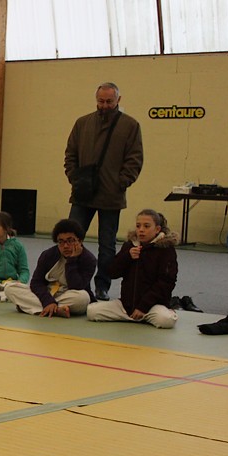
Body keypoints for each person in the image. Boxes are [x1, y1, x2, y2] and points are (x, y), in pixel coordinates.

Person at [65, 82, 143, 301]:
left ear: (119, 100)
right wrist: (73, 177)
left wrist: (122, 182)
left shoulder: (130, 126)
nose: (105, 105)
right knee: (70, 239)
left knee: (107, 245)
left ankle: (102, 287)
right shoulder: (82, 123)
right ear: (96, 99)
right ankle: (73, 281)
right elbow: (70, 153)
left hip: (112, 195)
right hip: (82, 194)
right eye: (101, 101)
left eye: (109, 101)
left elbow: (135, 159)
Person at [86, 209, 178, 329]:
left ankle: (154, 313)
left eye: (146, 226)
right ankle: (133, 316)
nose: (141, 230)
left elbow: (166, 283)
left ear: (157, 229)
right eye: (138, 226)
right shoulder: (130, 245)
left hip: (151, 306)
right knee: (92, 311)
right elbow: (112, 272)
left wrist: (143, 307)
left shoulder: (166, 250)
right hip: (126, 305)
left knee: (166, 320)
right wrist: (127, 257)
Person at [4, 219, 96, 318]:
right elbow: (36, 282)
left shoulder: (89, 259)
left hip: (68, 295)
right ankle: (57, 310)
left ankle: (32, 307)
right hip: (47, 293)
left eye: (70, 241)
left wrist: (72, 260)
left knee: (83, 298)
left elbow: (76, 286)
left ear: (80, 241)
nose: (65, 246)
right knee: (10, 288)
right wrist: (48, 302)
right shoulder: (48, 255)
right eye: (61, 242)